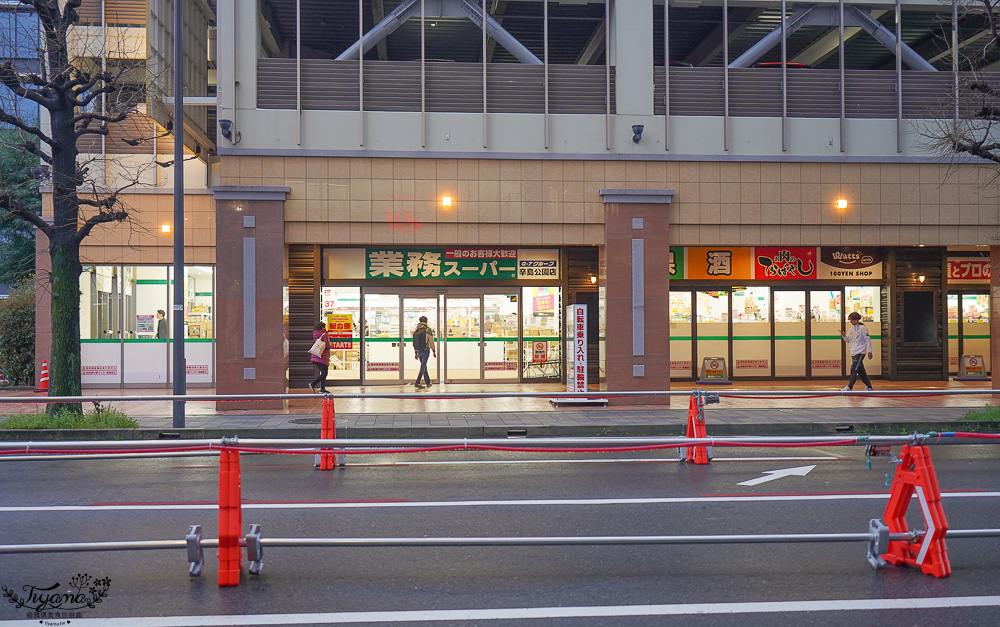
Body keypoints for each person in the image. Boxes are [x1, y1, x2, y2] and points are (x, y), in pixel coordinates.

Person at [841, 312, 874, 391]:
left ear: (856, 319)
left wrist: (869, 351)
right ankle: (869, 386)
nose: (850, 321)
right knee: (860, 370)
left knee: (854, 368)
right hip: (853, 352)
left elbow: (868, 340)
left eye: (851, 320)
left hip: (860, 352)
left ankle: (850, 386)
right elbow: (849, 340)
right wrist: (844, 336)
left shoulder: (863, 328)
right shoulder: (851, 329)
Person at [412, 315, 436, 389]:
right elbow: (431, 341)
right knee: (423, 366)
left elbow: (415, 342)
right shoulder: (427, 330)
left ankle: (428, 382)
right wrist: (434, 350)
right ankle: (418, 382)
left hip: (419, 350)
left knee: (424, 365)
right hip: (425, 350)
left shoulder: (416, 330)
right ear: (426, 321)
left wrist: (415, 352)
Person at [309, 322, 330, 393]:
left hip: (316, 356)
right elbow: (328, 346)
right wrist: (331, 345)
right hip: (322, 357)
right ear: (323, 328)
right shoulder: (324, 334)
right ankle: (313, 384)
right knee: (324, 373)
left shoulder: (316, 335)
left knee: (323, 373)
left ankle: (322, 389)